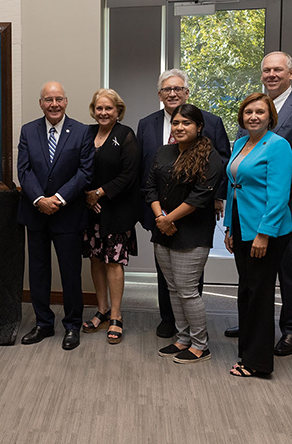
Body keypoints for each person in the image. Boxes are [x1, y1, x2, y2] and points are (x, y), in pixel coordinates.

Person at [224, 52, 292, 357]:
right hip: (248, 205)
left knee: (287, 267)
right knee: (252, 271)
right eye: (267, 70)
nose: (271, 74)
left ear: (291, 73)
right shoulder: (253, 108)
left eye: (278, 70)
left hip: (286, 205)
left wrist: (271, 195)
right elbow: (242, 157)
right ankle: (255, 321)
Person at [137, 69, 231, 338]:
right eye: (167, 89)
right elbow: (145, 170)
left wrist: (217, 198)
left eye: (178, 89)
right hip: (159, 212)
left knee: (188, 277)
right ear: (160, 94)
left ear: (187, 92)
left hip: (194, 212)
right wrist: (157, 214)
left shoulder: (210, 122)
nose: (173, 93)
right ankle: (169, 320)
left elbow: (222, 162)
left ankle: (193, 329)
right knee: (166, 273)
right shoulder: (147, 124)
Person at [18, 81, 94, 351]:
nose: (54, 104)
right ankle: (43, 324)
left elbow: (85, 172)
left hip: (68, 214)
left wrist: (58, 199)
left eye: (58, 99)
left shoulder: (82, 132)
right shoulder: (28, 130)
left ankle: (72, 325)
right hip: (36, 213)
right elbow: (24, 171)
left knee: (70, 273)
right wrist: (40, 199)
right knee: (38, 272)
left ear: (66, 102)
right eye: (48, 100)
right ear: (41, 103)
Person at [145, 104, 223, 364]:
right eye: (176, 123)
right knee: (173, 289)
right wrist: (160, 218)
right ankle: (182, 338)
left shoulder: (210, 156)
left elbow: (200, 196)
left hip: (192, 232)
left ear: (199, 127)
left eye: (186, 123)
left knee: (188, 290)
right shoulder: (164, 152)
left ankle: (201, 345)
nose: (179, 127)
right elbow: (150, 187)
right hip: (163, 229)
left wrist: (168, 219)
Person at [223, 93, 292, 378]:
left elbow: (278, 196)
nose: (253, 116)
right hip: (241, 226)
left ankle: (258, 363)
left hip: (267, 230)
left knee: (260, 293)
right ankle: (247, 349)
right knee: (247, 289)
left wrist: (264, 234)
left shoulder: (278, 146)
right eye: (248, 112)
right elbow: (232, 187)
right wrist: (228, 226)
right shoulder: (240, 143)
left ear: (270, 116)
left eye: (260, 112)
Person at [81, 89, 140, 344]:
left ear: (118, 111)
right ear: (93, 110)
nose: (103, 113)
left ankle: (116, 315)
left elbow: (129, 174)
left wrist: (100, 193)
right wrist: (87, 195)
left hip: (116, 209)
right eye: (99, 108)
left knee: (113, 262)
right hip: (90, 210)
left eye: (108, 108)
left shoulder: (125, 135)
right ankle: (102, 310)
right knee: (95, 259)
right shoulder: (87, 133)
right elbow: (78, 167)